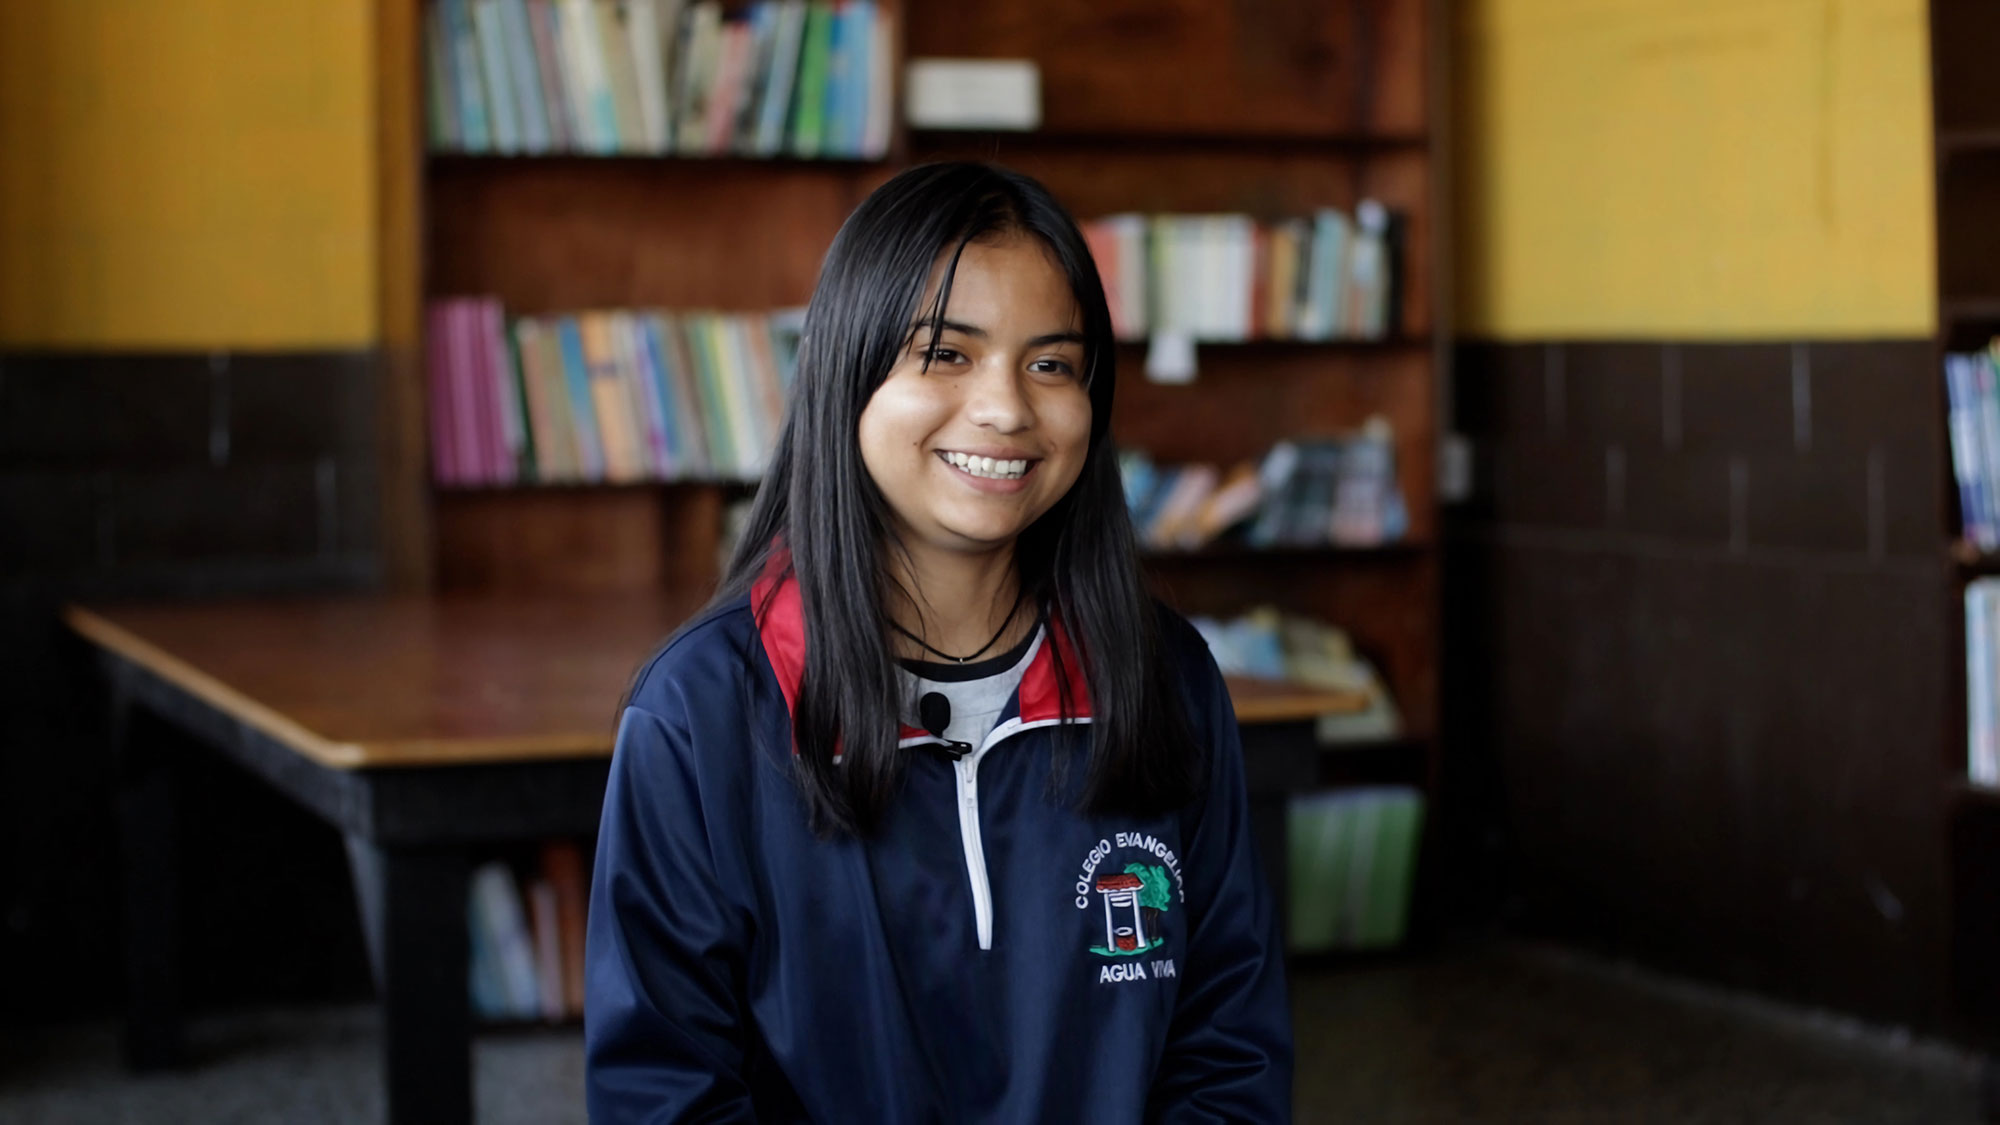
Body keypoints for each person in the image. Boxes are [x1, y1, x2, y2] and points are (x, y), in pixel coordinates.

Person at [584, 161, 1291, 1123]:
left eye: (1051, 363)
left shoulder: (1165, 677)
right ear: (849, 372)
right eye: (947, 354)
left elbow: (1229, 1058)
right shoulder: (700, 712)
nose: (1006, 408)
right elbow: (664, 1093)